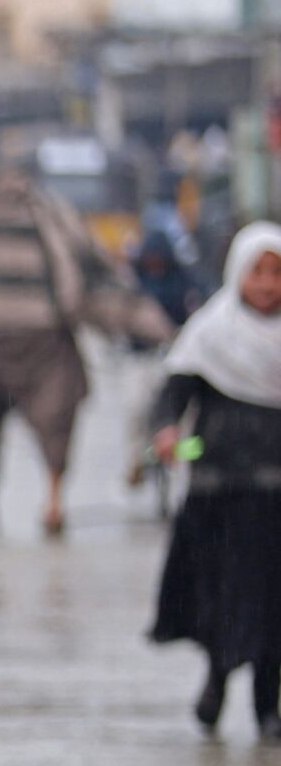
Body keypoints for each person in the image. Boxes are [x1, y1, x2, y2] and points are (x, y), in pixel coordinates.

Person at [0, 160, 172, 536]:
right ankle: (53, 500)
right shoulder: (46, 211)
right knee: (57, 419)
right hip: (45, 336)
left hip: (0, 337)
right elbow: (80, 261)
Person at [149, 223, 281, 739]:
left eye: (277, 274)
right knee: (221, 596)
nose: (268, 284)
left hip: (276, 496)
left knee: (273, 602)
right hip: (219, 491)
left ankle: (268, 706)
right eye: (259, 272)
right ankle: (217, 680)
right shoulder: (211, 332)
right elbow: (174, 392)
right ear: (238, 274)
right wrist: (164, 431)